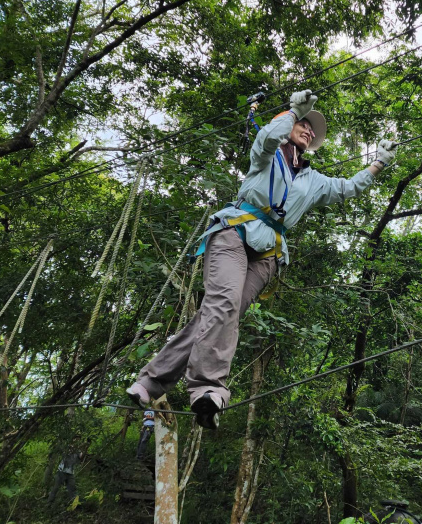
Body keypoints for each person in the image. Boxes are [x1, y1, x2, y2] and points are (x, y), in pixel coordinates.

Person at [127, 90, 395, 428]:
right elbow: (267, 137)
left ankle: (149, 383)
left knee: (222, 314)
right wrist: (292, 111)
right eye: (304, 124)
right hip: (235, 231)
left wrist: (378, 163)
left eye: (313, 130)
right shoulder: (267, 155)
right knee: (222, 303)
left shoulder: (313, 180)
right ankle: (207, 389)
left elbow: (347, 188)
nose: (309, 130)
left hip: (268, 250)